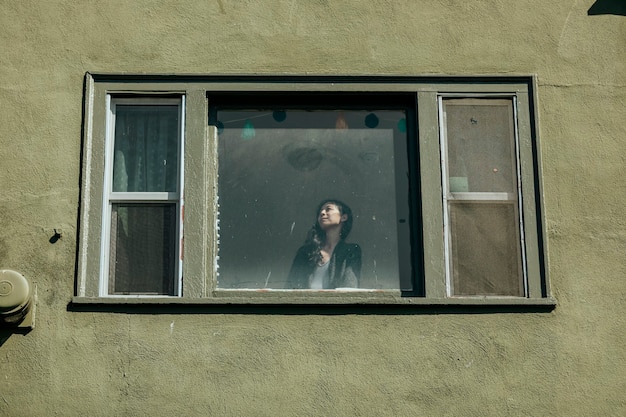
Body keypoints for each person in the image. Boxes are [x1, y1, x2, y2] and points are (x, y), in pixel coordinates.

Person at [286, 199, 361, 289]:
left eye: (328, 209)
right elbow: (290, 287)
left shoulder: (351, 251)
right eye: (320, 211)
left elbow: (350, 287)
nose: (322, 213)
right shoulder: (306, 252)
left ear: (343, 217)